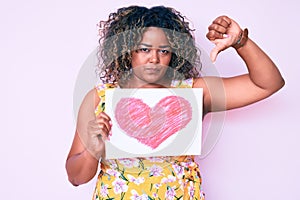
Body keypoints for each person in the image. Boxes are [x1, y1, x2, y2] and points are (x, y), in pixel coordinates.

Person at [65, 5, 284, 200]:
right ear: (127, 50)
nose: (154, 59)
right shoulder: (98, 98)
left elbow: (267, 84)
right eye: (144, 49)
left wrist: (240, 41)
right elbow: (76, 178)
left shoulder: (194, 92)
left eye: (164, 51)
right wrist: (92, 151)